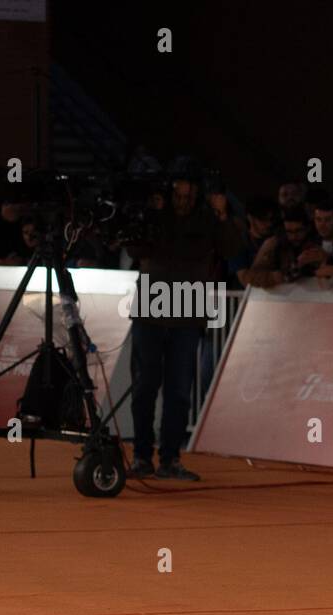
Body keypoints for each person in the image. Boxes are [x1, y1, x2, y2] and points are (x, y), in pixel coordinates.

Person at [127, 174, 243, 480]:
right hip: (153, 304)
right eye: (178, 196)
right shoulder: (156, 214)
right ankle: (141, 455)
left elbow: (231, 249)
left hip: (189, 307)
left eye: (189, 198)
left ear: (199, 197)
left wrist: (222, 214)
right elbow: (135, 248)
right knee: (145, 385)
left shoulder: (208, 219)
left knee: (179, 390)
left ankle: (170, 458)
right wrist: (149, 213)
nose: (183, 203)